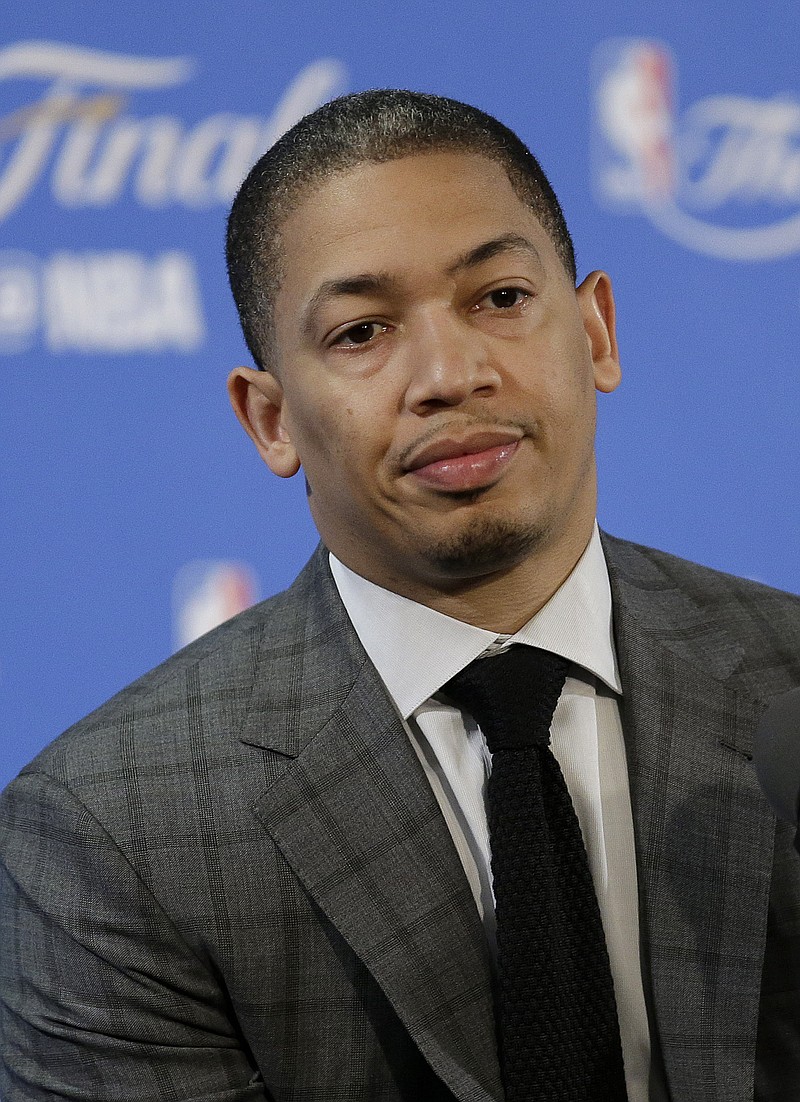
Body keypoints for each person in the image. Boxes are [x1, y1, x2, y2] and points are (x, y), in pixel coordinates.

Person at [1, 89, 799, 1102]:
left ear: (595, 330)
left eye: (500, 298)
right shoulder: (113, 831)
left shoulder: (787, 687)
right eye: (362, 331)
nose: (450, 373)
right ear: (270, 418)